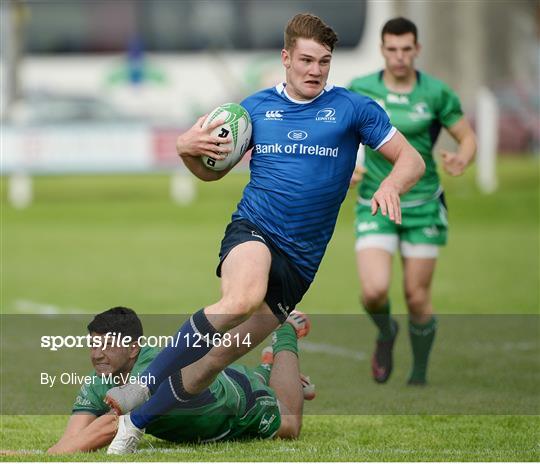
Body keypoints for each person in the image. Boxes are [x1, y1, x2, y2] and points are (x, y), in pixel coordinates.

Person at [105, 13, 425, 454]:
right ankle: (141, 386)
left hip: (301, 261)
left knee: (216, 359)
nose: (315, 70)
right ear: (286, 58)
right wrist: (186, 150)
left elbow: (411, 160)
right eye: (307, 60)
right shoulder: (250, 110)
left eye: (324, 62)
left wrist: (390, 184)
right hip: (254, 229)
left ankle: (133, 425)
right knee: (241, 298)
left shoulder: (353, 109)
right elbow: (210, 173)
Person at [349, 17, 476, 385]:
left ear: (417, 50)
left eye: (407, 49)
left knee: (416, 297)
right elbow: (341, 136)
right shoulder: (361, 88)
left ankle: (418, 373)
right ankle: (386, 331)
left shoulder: (436, 93)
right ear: (382, 50)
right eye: (392, 49)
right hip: (375, 200)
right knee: (373, 291)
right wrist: (346, 168)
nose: (400, 57)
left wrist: (462, 158)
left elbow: (466, 138)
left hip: (422, 205)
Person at [47, 307, 315, 454]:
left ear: (132, 349)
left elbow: (110, 426)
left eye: (107, 345)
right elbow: (73, 439)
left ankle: (286, 330)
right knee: (264, 378)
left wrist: (49, 457)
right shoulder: (97, 381)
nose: (97, 354)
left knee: (289, 424)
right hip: (215, 388)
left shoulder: (149, 369)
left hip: (238, 405)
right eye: (93, 345)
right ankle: (267, 367)